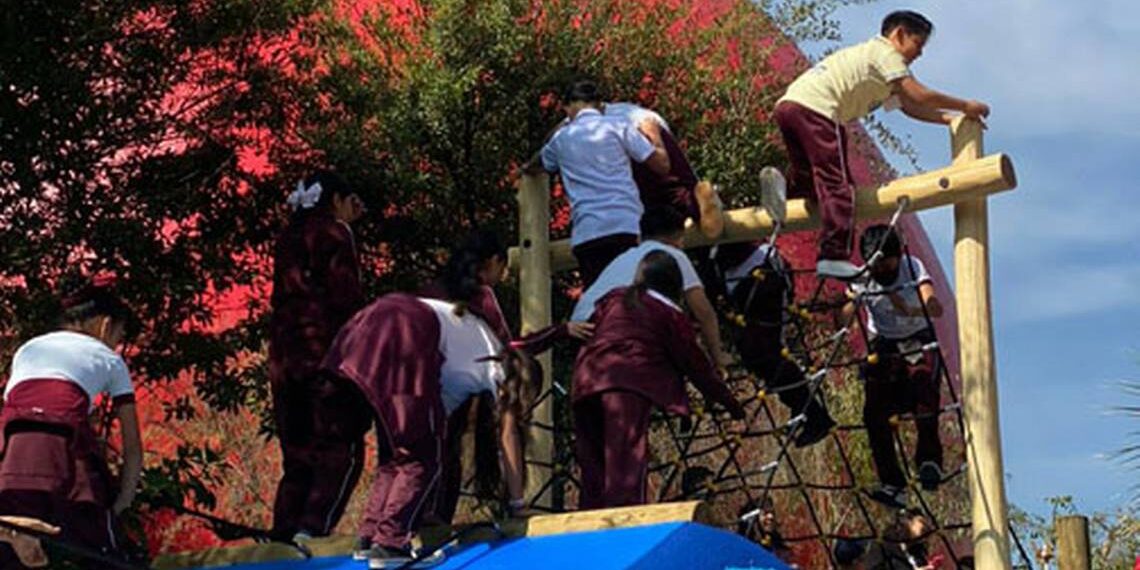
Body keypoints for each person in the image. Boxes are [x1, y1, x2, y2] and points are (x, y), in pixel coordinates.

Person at [320, 293, 539, 569]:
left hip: (363, 327)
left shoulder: (462, 368)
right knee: (422, 457)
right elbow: (508, 437)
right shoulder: (499, 366)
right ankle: (389, 544)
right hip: (406, 328)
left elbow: (428, 426)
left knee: (398, 452)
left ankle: (370, 536)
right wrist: (518, 503)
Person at [774, 10, 990, 280]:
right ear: (898, 34)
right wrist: (965, 105)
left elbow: (909, 107)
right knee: (839, 187)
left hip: (790, 106)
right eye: (918, 45)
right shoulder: (887, 54)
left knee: (810, 180)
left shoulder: (880, 66)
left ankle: (784, 193)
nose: (919, 54)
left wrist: (950, 119)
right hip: (819, 110)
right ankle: (832, 255)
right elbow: (918, 94)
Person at [420, 230, 592, 524]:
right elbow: (509, 349)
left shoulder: (429, 292)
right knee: (447, 456)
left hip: (412, 382)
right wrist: (559, 331)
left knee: (427, 458)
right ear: (494, 262)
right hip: (443, 388)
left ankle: (416, 521)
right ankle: (433, 521)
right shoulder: (482, 296)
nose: (502, 275)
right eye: (503, 268)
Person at [573, 251, 745, 509]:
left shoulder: (614, 300)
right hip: (626, 385)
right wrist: (731, 404)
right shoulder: (668, 314)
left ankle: (589, 520)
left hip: (586, 380)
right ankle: (624, 524)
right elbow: (696, 366)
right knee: (625, 463)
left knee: (593, 464)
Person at [0, 278, 142, 568]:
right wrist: (120, 504)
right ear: (104, 325)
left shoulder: (28, 349)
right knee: (105, 550)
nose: (116, 341)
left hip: (11, 457)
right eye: (119, 333)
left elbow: (26, 408)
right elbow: (133, 448)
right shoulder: (111, 360)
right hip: (63, 445)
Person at [267, 170, 367, 542]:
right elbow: (346, 298)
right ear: (337, 200)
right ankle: (312, 529)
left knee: (297, 452)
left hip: (283, 355)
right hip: (324, 352)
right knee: (341, 445)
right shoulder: (335, 233)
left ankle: (283, 532)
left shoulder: (287, 236)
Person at [535, 79, 671, 288]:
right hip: (626, 225)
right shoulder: (618, 126)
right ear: (600, 105)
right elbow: (661, 165)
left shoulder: (561, 138)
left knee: (600, 305)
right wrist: (654, 134)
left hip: (588, 234)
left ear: (568, 107)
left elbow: (539, 163)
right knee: (635, 301)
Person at [846, 225, 944, 508]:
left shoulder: (910, 267)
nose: (880, 271)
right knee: (874, 413)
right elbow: (845, 319)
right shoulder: (863, 276)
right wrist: (851, 302)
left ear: (897, 256)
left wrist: (909, 308)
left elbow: (935, 308)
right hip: (884, 344)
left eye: (885, 264)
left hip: (916, 337)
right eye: (875, 265)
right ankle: (893, 483)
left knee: (924, 393)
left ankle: (929, 462)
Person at [706, 241, 835, 447]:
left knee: (767, 350)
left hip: (759, 268)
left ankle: (813, 413)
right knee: (753, 354)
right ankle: (803, 406)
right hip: (728, 270)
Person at [572, 206, 732, 372]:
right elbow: (704, 312)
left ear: (640, 237)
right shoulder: (672, 255)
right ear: (679, 239)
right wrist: (717, 356)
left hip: (583, 331)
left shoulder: (624, 257)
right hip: (619, 331)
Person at [603, 102, 725, 239]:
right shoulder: (619, 110)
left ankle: (698, 203)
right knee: (676, 193)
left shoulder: (586, 124)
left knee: (658, 201)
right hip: (644, 127)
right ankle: (698, 199)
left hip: (637, 135)